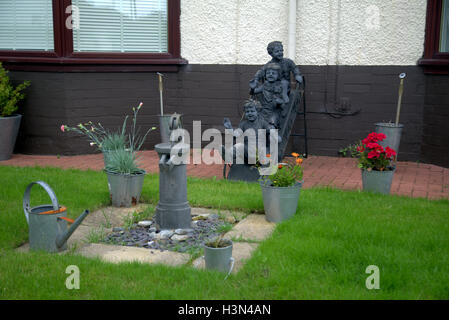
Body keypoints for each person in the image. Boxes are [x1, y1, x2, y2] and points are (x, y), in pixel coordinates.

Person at [221, 99, 279, 164]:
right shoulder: (243, 124)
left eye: (252, 111)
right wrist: (230, 128)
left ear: (258, 112)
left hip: (260, 152)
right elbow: (237, 134)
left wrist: (274, 134)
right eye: (247, 112)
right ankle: (228, 155)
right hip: (247, 151)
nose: (250, 113)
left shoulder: (262, 123)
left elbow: (270, 131)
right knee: (239, 146)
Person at [251, 62, 286, 127]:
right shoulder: (264, 86)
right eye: (268, 73)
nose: (270, 75)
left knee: (271, 124)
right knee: (258, 124)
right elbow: (253, 92)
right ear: (265, 75)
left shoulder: (280, 87)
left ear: (278, 75)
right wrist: (252, 88)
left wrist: (280, 102)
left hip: (274, 112)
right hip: (263, 111)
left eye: (273, 73)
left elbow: (284, 103)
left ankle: (272, 135)